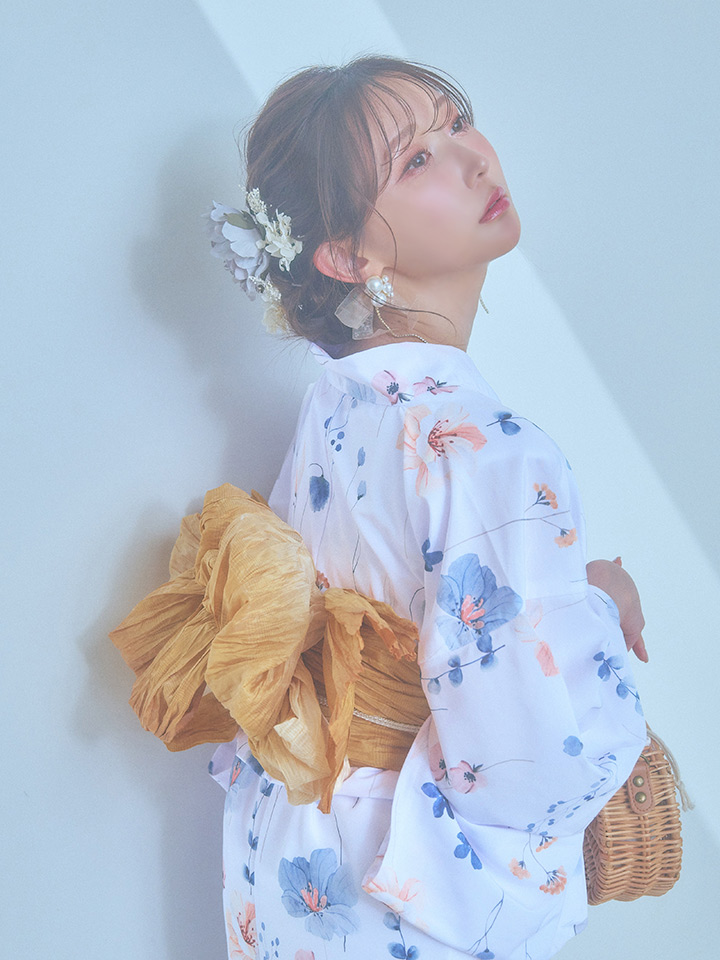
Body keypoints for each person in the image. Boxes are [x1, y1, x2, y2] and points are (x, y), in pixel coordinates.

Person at [125, 55, 651, 960]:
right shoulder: (485, 449)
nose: (476, 160)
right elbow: (527, 764)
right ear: (347, 257)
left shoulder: (340, 405)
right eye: (417, 160)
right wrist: (598, 604)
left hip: (300, 858)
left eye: (458, 122)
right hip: (399, 885)